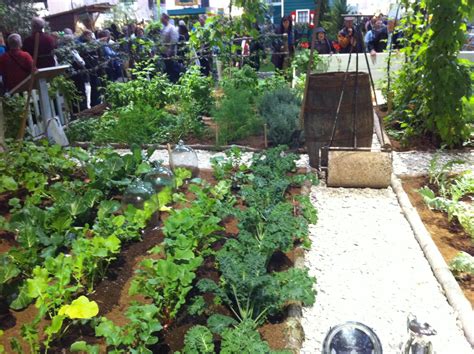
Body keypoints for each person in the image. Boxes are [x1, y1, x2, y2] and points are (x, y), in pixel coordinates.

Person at [160, 13, 180, 82]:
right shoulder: (163, 28)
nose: (161, 20)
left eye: (162, 18)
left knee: (172, 68)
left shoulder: (171, 28)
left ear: (166, 18)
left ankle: (175, 81)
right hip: (164, 52)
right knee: (167, 69)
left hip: (170, 53)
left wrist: (170, 50)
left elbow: (174, 40)